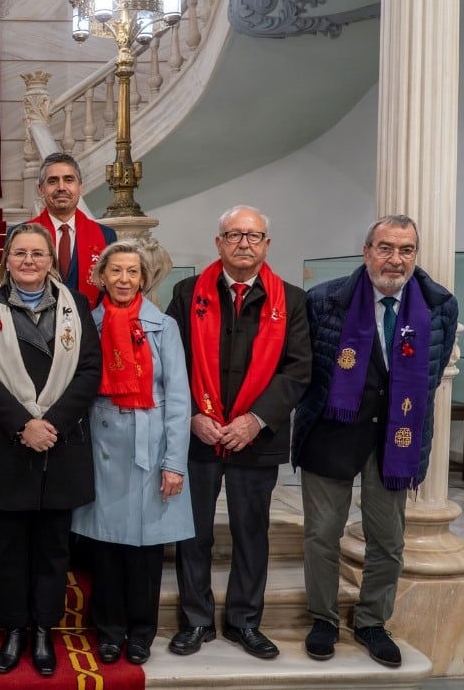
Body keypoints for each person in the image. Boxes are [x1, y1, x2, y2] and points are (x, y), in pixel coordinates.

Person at [292, 215, 458, 668]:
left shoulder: (439, 305)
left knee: (387, 539)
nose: (395, 259)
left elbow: (430, 373)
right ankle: (323, 619)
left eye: (406, 250)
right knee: (322, 534)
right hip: (332, 430)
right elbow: (307, 368)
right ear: (366, 251)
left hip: (396, 437)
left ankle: (371, 621)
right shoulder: (324, 300)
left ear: (415, 256)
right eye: (385, 247)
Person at [164, 205, 311, 660]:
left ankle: (245, 621)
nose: (243, 242)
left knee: (252, 532)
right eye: (233, 234)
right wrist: (191, 415)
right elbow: (171, 363)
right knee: (194, 533)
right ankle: (196, 620)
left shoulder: (292, 299)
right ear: (218, 243)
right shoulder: (188, 292)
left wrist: (255, 419)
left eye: (253, 235)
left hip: (257, 439)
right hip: (199, 434)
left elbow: (298, 369)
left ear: (267, 244)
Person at [0, 223, 101, 677]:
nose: (28, 260)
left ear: (51, 260)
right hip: (6, 445)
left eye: (37, 253)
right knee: (6, 548)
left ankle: (44, 628)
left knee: (52, 549)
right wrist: (24, 424)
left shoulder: (76, 306)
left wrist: (51, 425)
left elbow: (89, 372)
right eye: (20, 253)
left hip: (61, 446)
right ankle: (13, 630)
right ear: (7, 260)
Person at [71, 239, 194, 666]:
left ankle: (141, 632)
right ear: (101, 277)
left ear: (143, 278)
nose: (124, 279)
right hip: (102, 446)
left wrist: (174, 462)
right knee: (105, 549)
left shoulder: (163, 326)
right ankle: (108, 630)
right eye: (116, 271)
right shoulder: (88, 323)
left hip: (151, 445)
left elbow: (179, 398)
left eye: (133, 272)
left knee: (144, 551)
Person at [21, 152, 116, 309]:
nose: (61, 187)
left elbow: (110, 290)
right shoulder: (21, 234)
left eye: (69, 180)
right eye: (53, 181)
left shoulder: (106, 236)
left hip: (90, 325)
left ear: (80, 187)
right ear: (41, 189)